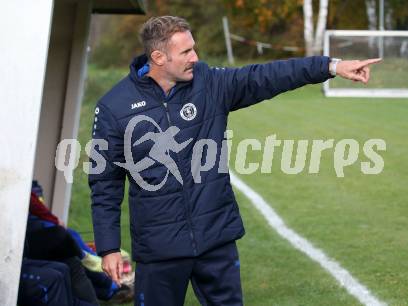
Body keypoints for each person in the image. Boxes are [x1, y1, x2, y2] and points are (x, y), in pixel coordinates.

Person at [89, 16, 381, 306]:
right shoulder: (114, 107)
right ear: (158, 57)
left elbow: (267, 76)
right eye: (186, 52)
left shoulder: (211, 83)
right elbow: (105, 183)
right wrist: (109, 248)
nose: (196, 57)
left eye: (194, 48)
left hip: (215, 239)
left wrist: (331, 66)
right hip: (159, 248)